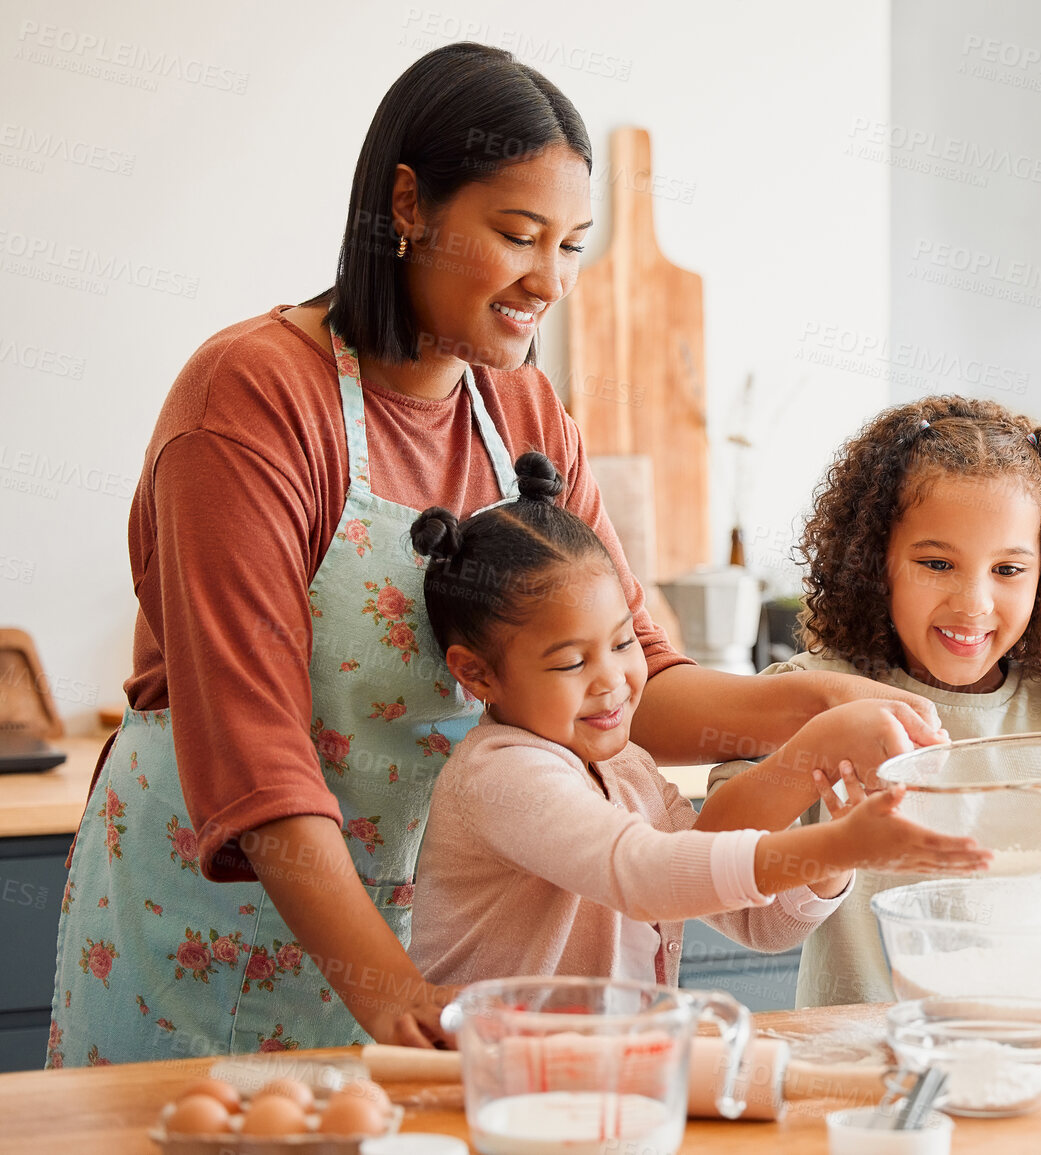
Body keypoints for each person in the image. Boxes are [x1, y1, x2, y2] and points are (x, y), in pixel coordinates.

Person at [48, 43, 943, 1068]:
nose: (550, 282)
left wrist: (816, 705)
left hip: (450, 942)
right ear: (408, 204)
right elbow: (256, 759)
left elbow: (630, 681)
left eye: (572, 245)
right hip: (231, 942)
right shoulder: (251, 400)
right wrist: (387, 990)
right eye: (520, 236)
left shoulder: (520, 408)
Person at [699, 395, 1041, 1007]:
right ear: (875, 564)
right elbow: (715, 870)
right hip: (873, 1065)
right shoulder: (813, 696)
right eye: (937, 563)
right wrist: (835, 847)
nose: (973, 603)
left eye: (1007, 570)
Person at [404, 453, 991, 987]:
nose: (613, 679)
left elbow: (755, 924)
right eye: (572, 661)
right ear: (477, 675)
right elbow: (643, 875)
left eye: (623, 641)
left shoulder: (626, 768)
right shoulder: (502, 776)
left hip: (608, 1073)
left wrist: (834, 857)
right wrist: (821, 778)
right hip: (487, 1081)